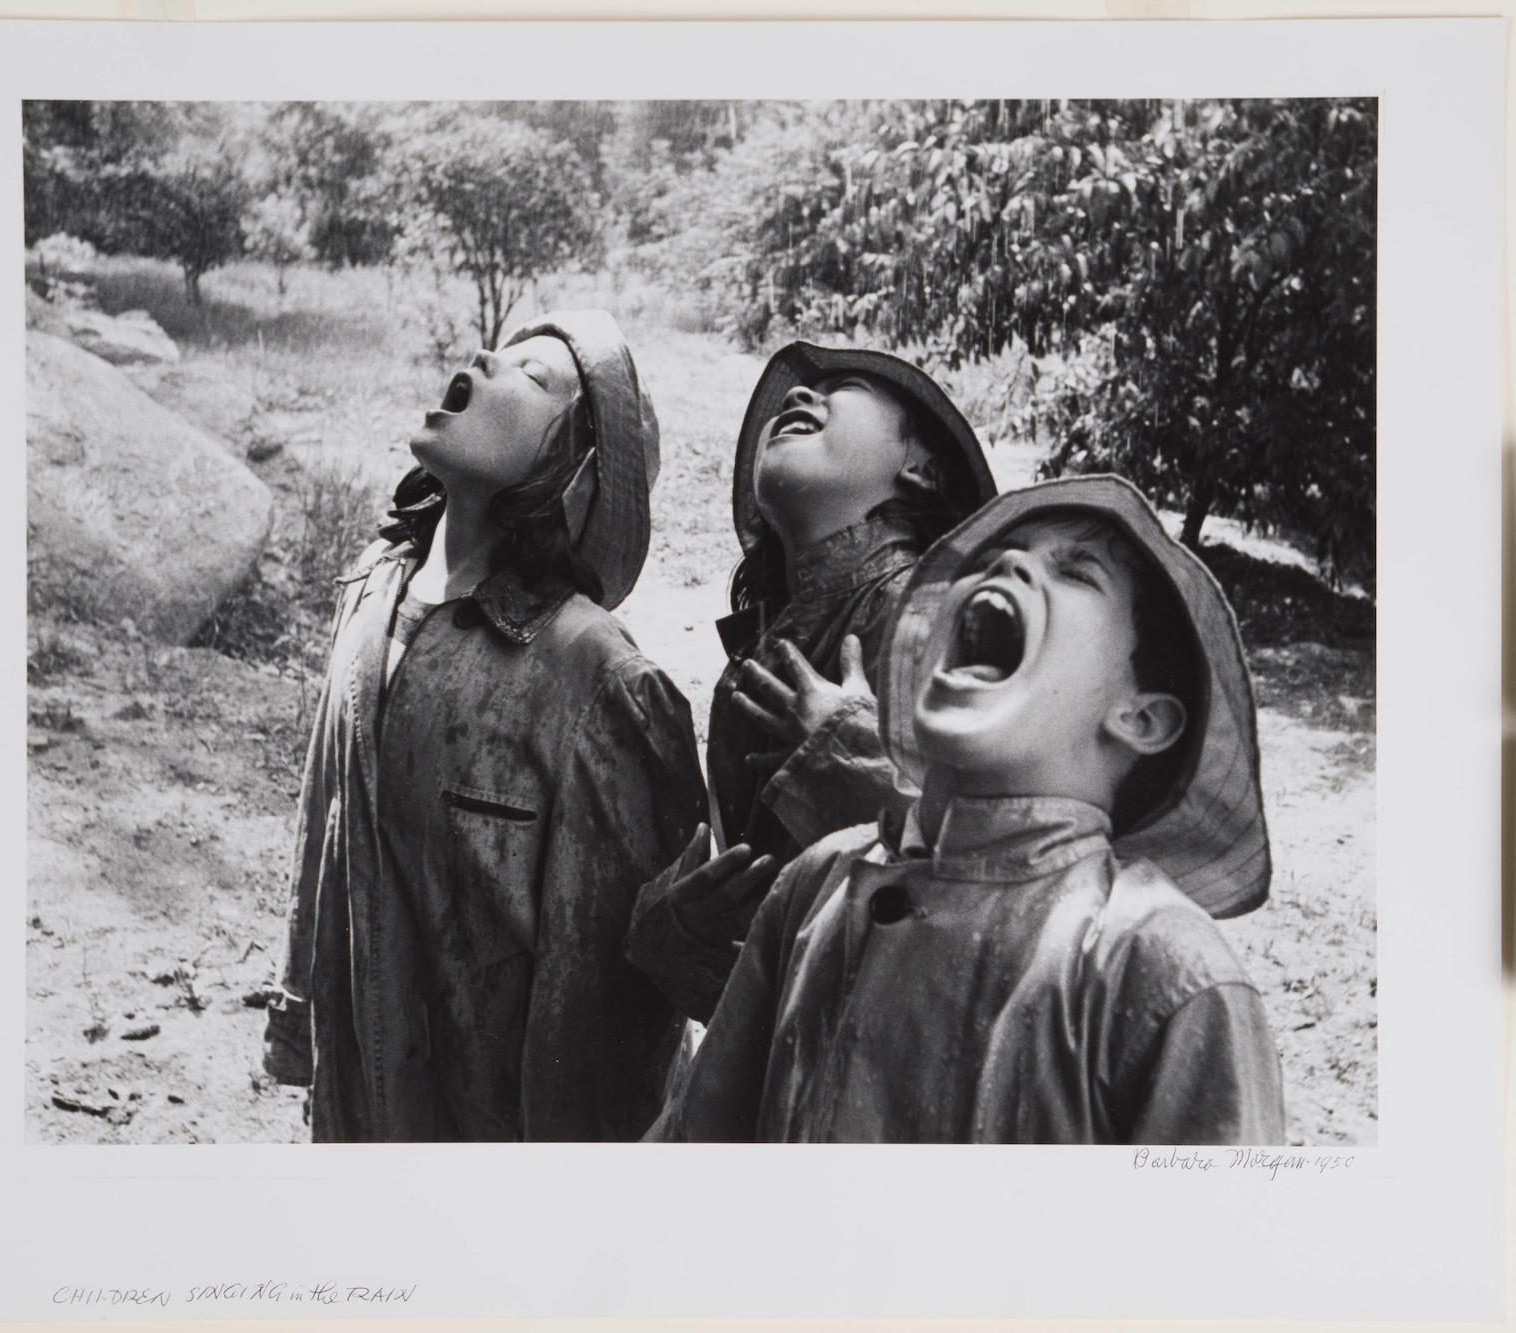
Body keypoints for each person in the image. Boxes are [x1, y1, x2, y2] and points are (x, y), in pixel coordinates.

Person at [652, 475, 1285, 1143]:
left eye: (1075, 571)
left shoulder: (1162, 969)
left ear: (1140, 717)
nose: (1008, 562)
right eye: (986, 560)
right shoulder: (816, 881)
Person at [262, 310, 706, 1142]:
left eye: (533, 377)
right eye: (498, 349)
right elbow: (325, 830)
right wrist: (302, 1025)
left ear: (573, 471)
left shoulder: (599, 676)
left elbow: (615, 1014)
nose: (483, 358)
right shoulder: (371, 588)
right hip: (357, 1102)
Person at [625, 343, 996, 1022]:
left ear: (921, 469)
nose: (801, 398)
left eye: (845, 386)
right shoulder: (756, 661)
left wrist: (854, 761)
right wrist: (677, 929)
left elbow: (1007, 900)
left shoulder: (941, 618)